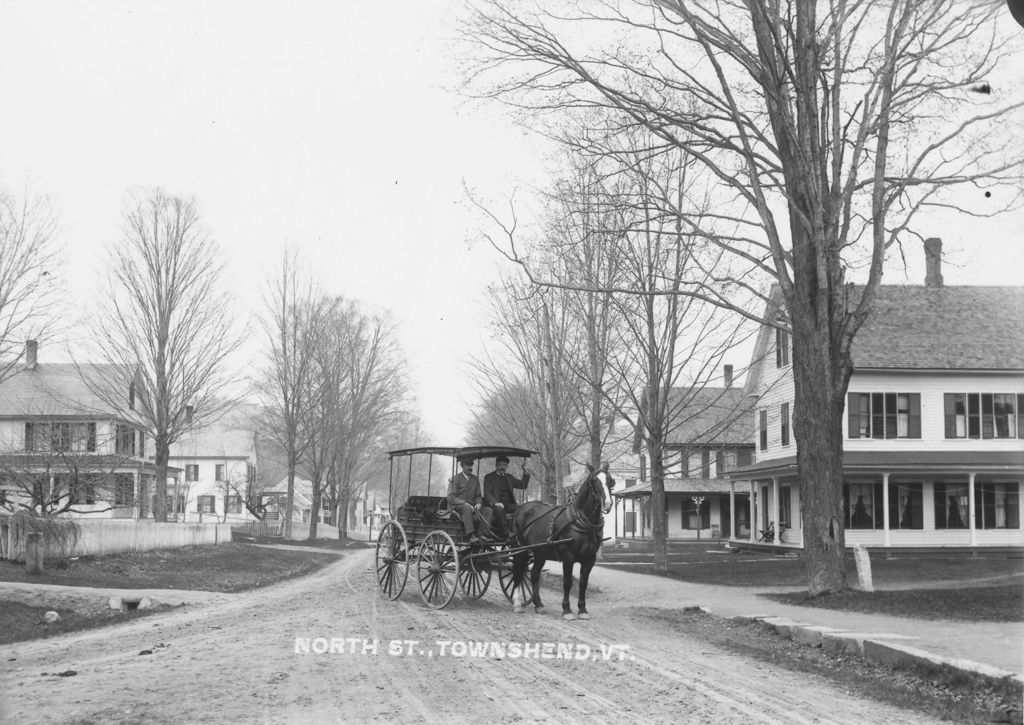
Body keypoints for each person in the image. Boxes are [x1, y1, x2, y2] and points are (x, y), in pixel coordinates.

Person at [482, 455, 531, 540]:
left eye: (504, 465)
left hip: (509, 505)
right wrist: (495, 503)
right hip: (495, 505)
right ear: (496, 465)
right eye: (500, 465)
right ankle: (505, 533)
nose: (502, 467)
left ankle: (523, 532)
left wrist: (526, 473)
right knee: (500, 511)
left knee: (522, 509)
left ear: (507, 466)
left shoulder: (509, 477)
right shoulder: (489, 477)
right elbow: (487, 493)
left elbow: (522, 485)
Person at [446, 456, 488, 544]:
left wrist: (479, 503)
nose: (470, 467)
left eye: (471, 465)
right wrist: (464, 503)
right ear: (462, 466)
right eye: (468, 465)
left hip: (473, 506)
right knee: (467, 508)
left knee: (488, 510)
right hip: (456, 507)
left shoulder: (475, 479)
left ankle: (482, 534)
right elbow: (450, 498)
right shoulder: (456, 479)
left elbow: (478, 495)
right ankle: (471, 535)